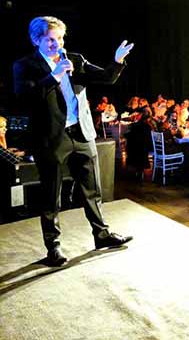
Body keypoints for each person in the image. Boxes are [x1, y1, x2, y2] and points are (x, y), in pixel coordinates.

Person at [13, 16, 134, 266]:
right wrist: (55, 76)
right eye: (50, 40)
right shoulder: (25, 65)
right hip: (51, 139)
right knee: (51, 196)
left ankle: (101, 235)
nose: (57, 44)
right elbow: (25, 97)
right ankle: (53, 247)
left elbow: (105, 78)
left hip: (81, 133)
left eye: (60, 38)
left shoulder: (74, 59)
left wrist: (117, 60)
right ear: (36, 40)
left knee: (92, 189)